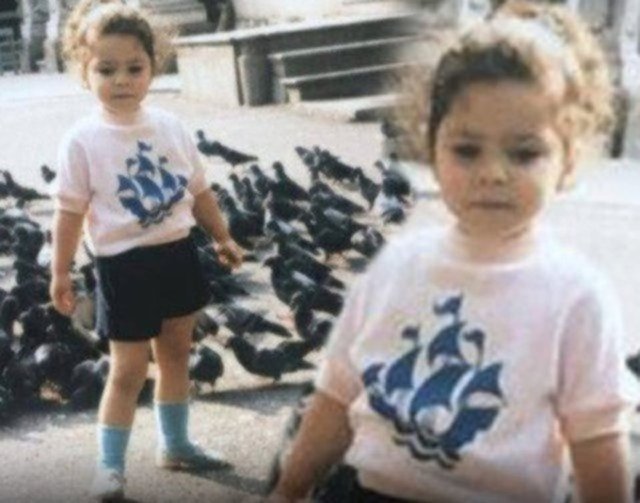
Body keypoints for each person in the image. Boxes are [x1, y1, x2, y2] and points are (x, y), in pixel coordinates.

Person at [270, 1, 637, 502]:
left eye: (525, 153)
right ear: (432, 151)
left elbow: (597, 441)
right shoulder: (397, 267)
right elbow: (337, 396)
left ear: (568, 159)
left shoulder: (576, 295)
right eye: (467, 150)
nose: (493, 173)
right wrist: (289, 488)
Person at [50, 0, 243, 499]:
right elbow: (68, 211)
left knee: (177, 353)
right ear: (83, 72)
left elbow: (199, 190)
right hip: (123, 267)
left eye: (134, 68)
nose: (122, 80)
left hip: (176, 253)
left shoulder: (170, 126)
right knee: (127, 371)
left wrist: (222, 236)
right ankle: (109, 468)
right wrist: (61, 271)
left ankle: (175, 445)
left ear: (153, 67)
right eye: (106, 69)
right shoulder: (82, 140)